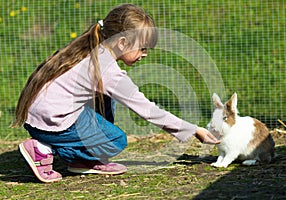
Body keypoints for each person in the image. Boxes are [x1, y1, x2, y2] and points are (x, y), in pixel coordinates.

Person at [12, 4, 220, 183]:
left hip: (38, 117)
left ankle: (82, 160)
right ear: (122, 43)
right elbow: (147, 110)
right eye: (142, 48)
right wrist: (193, 130)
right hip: (51, 124)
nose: (144, 54)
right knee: (116, 141)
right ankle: (43, 149)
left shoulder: (90, 50)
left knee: (106, 99)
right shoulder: (108, 71)